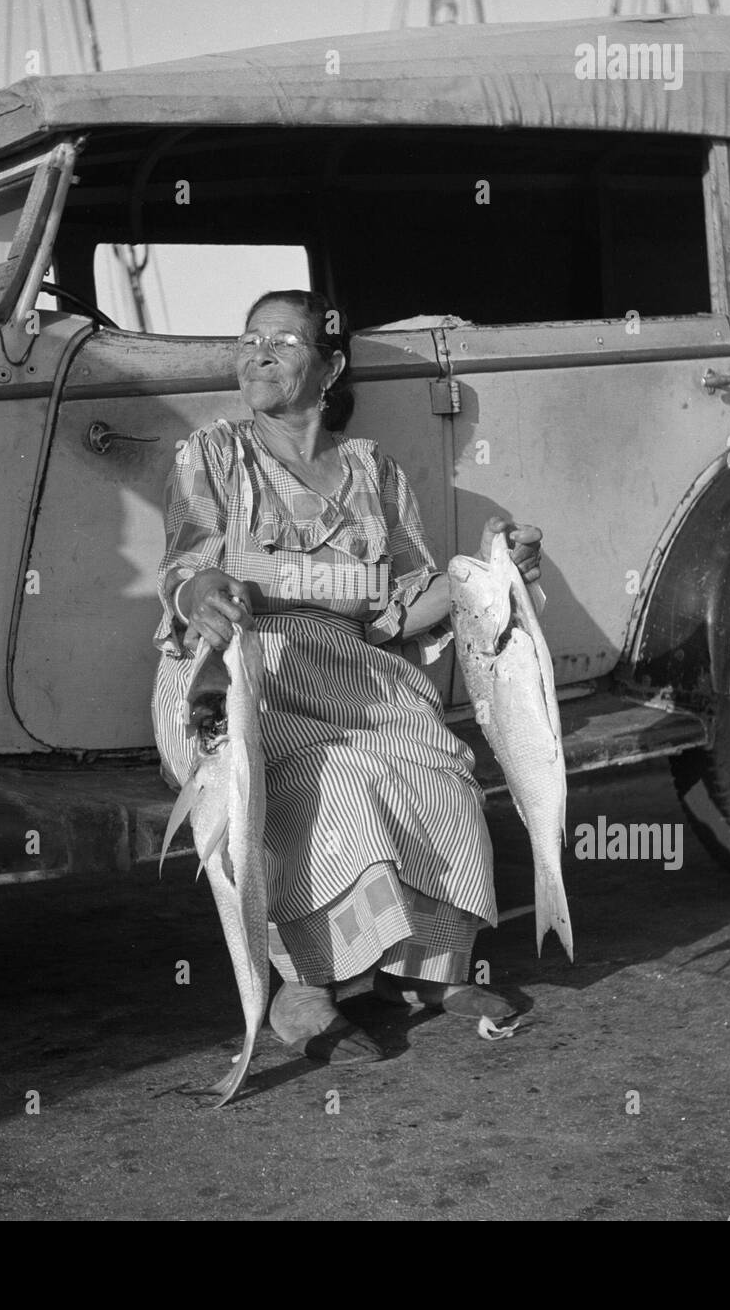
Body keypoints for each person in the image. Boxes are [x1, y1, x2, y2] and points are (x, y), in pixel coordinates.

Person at [152, 289, 543, 1063]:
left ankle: (427, 970)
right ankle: (305, 986)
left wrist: (490, 575)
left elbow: (404, 605)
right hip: (241, 666)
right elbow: (185, 561)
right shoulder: (214, 454)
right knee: (332, 779)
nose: (257, 353)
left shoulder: (376, 472)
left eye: (283, 342)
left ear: (328, 370)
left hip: (358, 670)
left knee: (438, 767)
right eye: (249, 338)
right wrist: (200, 590)